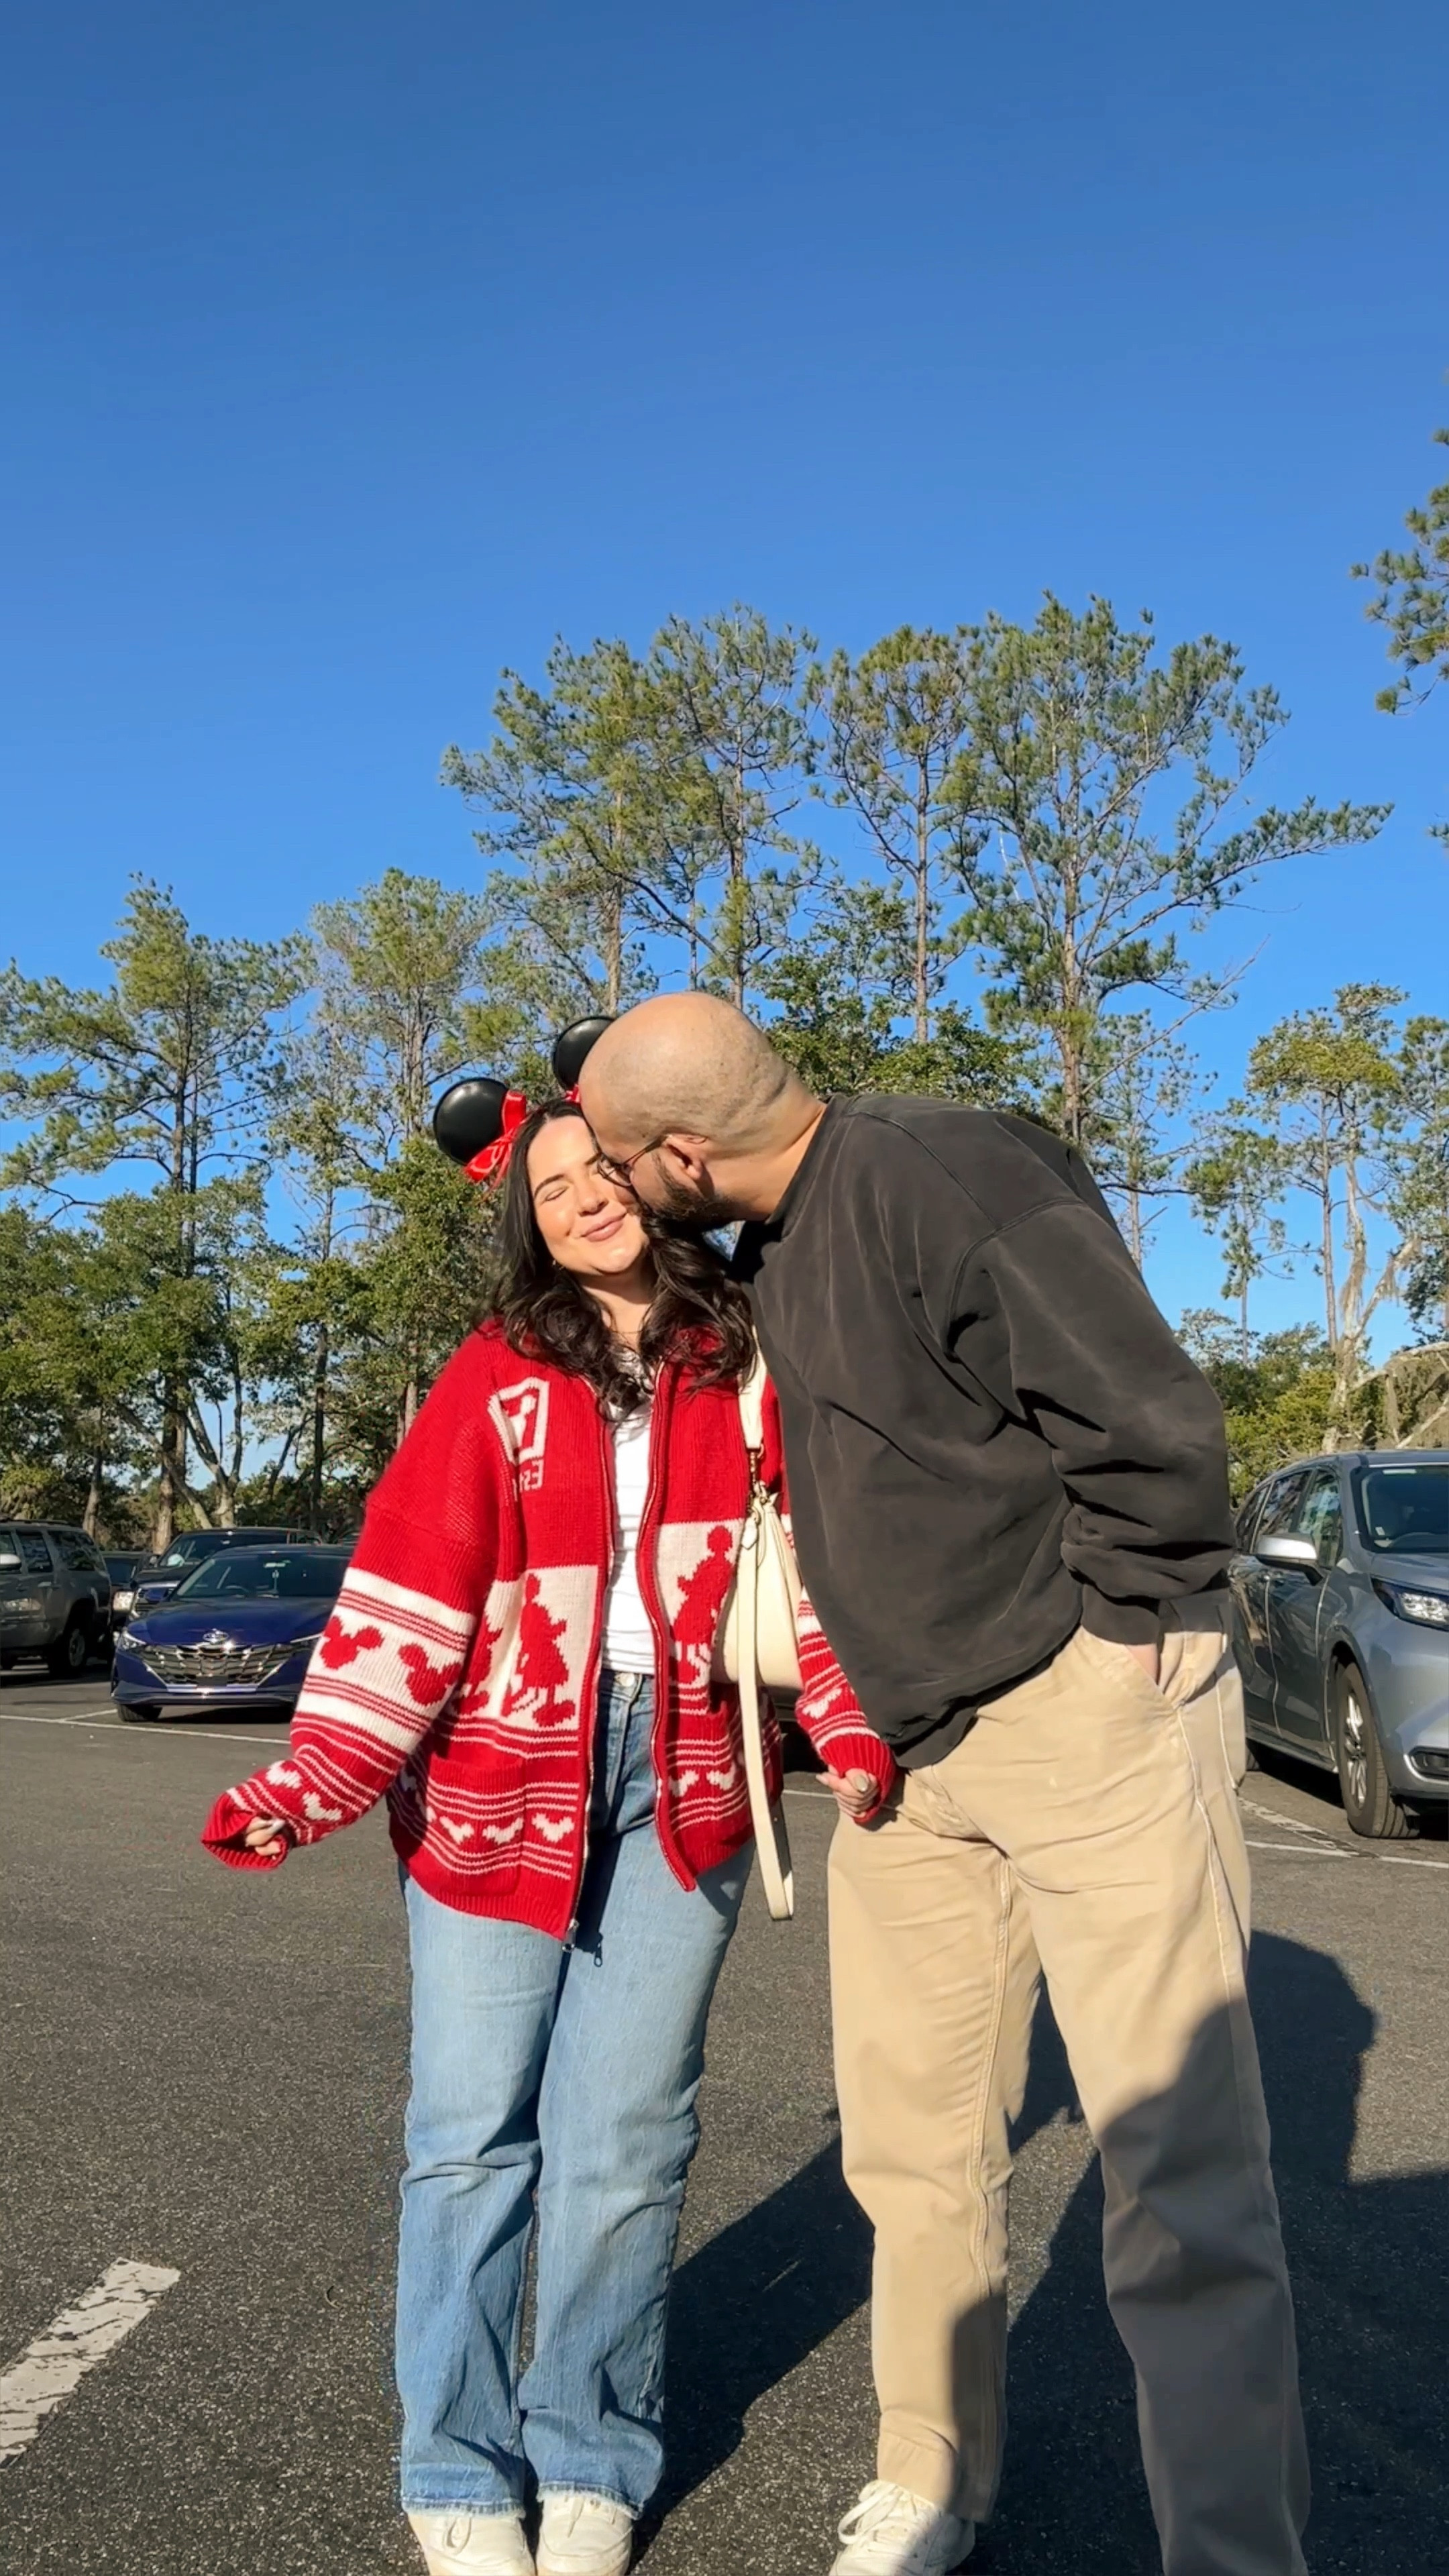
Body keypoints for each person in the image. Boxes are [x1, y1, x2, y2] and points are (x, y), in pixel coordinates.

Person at [580, 994, 1311, 2576]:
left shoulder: (941, 1167)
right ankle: (931, 2477)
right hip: (907, 1764)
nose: (627, 1197)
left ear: (684, 1150)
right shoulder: (767, 1242)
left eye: (630, 1167)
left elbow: (1155, 1424)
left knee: (1178, 2185)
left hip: (1080, 1714)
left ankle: (1238, 2554)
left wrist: (1128, 1638)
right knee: (910, 2151)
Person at [201, 1100, 894, 2576]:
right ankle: (455, 2466)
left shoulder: (751, 1359)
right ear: (528, 1214)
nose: (585, 1200)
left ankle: (590, 2450)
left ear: (657, 1179)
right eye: (553, 1185)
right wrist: (319, 1772)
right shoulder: (497, 1370)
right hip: (494, 1780)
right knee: (467, 2141)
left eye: (603, 1172)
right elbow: (412, 1576)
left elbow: (815, 1553)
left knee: (627, 2147)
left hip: (691, 1771)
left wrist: (841, 1721)